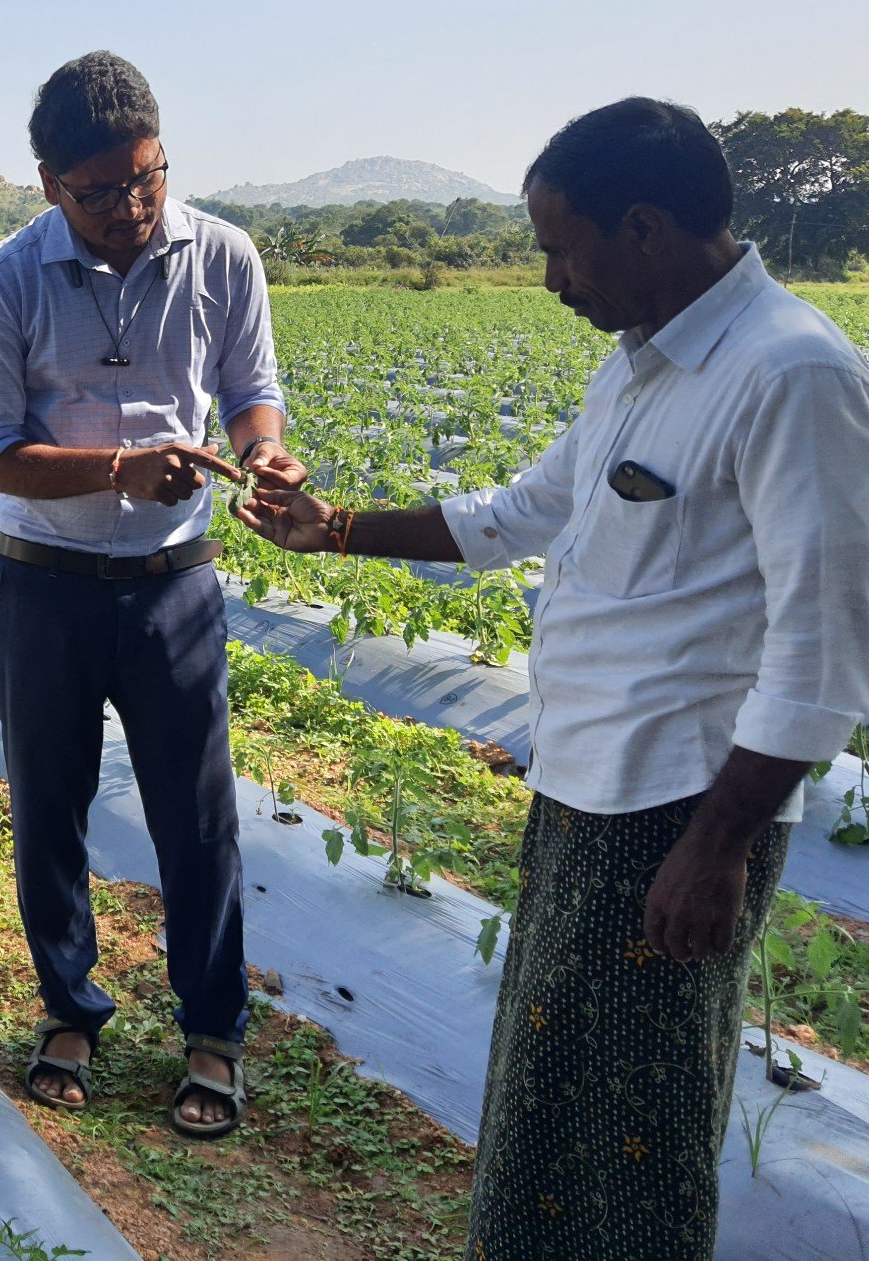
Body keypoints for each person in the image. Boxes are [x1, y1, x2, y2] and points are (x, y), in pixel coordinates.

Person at [234, 97, 869, 1260]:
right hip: (586, 790)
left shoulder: (788, 374)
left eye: (555, 246)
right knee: (548, 1101)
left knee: (638, 1127)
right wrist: (332, 531)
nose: (545, 278)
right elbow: (523, 510)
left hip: (676, 812)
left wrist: (714, 846)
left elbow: (823, 648)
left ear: (639, 229)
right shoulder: (637, 369)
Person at [0, 51, 304, 1138]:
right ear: (47, 182)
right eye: (99, 192)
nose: (130, 208)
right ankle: (69, 1010)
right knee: (46, 810)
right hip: (43, 587)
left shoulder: (223, 255)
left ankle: (210, 1030)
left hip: (171, 587)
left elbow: (249, 389)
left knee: (196, 822)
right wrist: (114, 466)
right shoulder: (4, 279)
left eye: (145, 179)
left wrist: (268, 451)